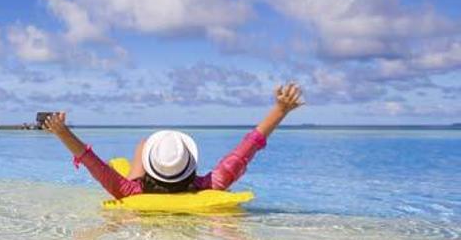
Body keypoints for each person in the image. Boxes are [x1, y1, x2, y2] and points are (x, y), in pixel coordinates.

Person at [42, 83, 304, 199]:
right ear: (190, 166)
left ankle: (146, 152)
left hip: (141, 186)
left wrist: (62, 132)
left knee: (143, 144)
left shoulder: (129, 191)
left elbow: (92, 162)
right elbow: (247, 148)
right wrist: (280, 110)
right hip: (173, 183)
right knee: (145, 146)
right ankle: (155, 154)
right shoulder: (211, 186)